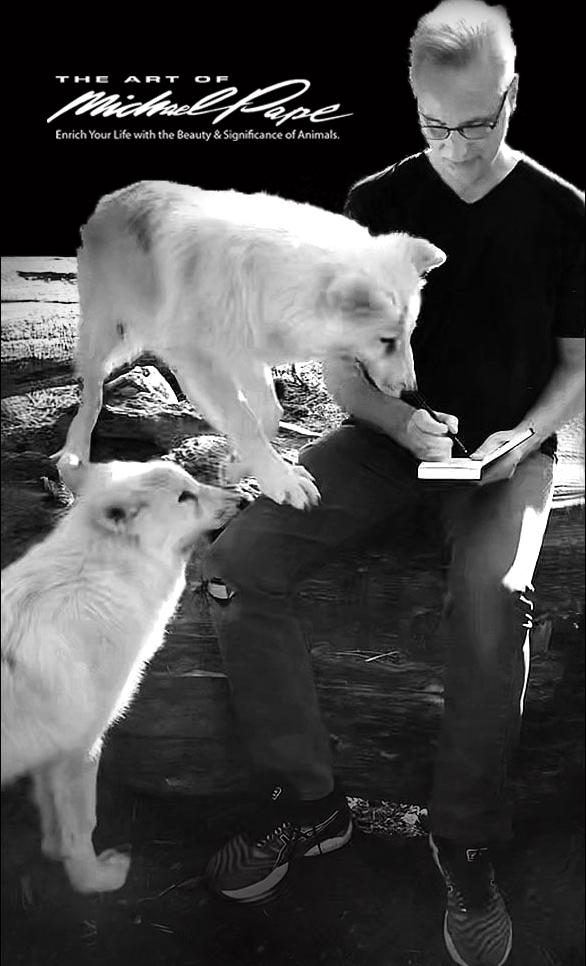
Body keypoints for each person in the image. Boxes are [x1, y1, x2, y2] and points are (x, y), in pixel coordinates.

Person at [202, 3, 585, 963]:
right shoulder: (372, 198)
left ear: (513, 93)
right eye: (432, 124)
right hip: (378, 445)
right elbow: (336, 368)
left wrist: (527, 434)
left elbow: (580, 363)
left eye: (479, 122)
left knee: (495, 599)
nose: (455, 146)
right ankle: (312, 804)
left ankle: (462, 841)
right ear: (412, 104)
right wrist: (397, 420)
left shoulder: (565, 211)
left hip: (505, 458)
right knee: (238, 561)